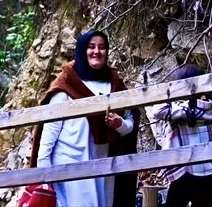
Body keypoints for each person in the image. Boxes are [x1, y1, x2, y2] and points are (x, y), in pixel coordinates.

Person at [29, 30, 137, 207]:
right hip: (69, 166)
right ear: (81, 50)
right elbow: (49, 133)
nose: (97, 52)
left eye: (102, 47)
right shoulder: (66, 84)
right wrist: (44, 174)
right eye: (91, 47)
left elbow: (130, 124)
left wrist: (119, 124)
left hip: (103, 166)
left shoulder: (115, 84)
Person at [154, 64, 212, 207]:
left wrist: (188, 108)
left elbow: (157, 110)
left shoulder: (175, 109)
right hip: (210, 171)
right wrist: (206, 94)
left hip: (184, 172)